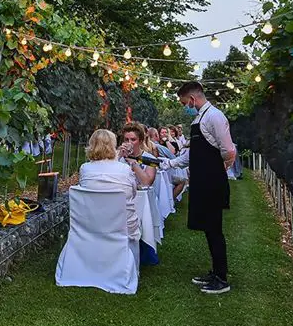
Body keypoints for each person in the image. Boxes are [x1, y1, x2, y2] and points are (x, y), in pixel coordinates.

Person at [164, 81, 236, 294]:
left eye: (184, 102)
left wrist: (216, 168)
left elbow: (229, 151)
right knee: (208, 227)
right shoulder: (200, 118)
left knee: (215, 229)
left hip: (211, 181)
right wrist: (169, 163)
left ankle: (222, 279)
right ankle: (215, 272)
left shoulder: (215, 116)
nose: (185, 106)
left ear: (193, 99)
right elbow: (191, 153)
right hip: (201, 180)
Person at [79, 129, 151, 267]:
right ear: (113, 145)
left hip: (91, 224)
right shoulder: (124, 169)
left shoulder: (85, 169)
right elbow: (134, 192)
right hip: (121, 226)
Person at [116, 122, 157, 187]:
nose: (129, 143)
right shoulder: (118, 156)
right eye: (126, 139)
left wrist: (133, 164)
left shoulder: (151, 159)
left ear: (140, 141)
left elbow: (147, 183)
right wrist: (118, 156)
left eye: (133, 139)